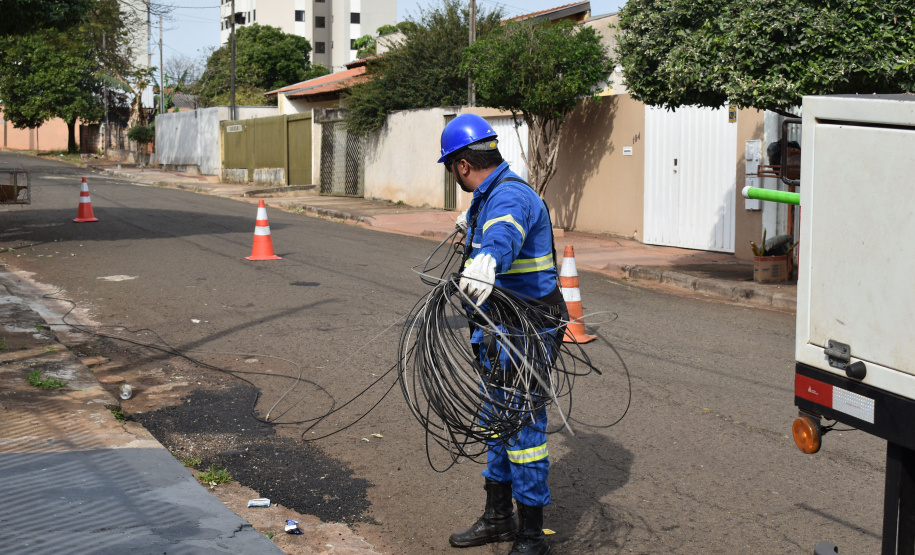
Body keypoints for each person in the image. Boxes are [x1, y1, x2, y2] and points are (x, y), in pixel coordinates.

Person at [439, 113, 567, 555]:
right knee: (497, 420)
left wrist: (490, 258)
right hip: (498, 329)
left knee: (523, 429)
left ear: (461, 164)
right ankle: (498, 518)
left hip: (527, 329)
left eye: (449, 167)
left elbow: (505, 232)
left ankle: (531, 537)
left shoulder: (510, 196)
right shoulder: (488, 193)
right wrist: (468, 224)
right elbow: (488, 221)